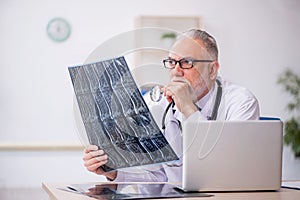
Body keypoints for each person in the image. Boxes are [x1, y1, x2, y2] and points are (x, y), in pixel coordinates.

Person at [83, 29, 260, 183]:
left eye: (187, 63)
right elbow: (158, 176)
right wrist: (114, 172)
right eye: (171, 62)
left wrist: (188, 108)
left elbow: (228, 170)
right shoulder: (159, 103)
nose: (176, 71)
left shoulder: (241, 103)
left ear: (212, 70)